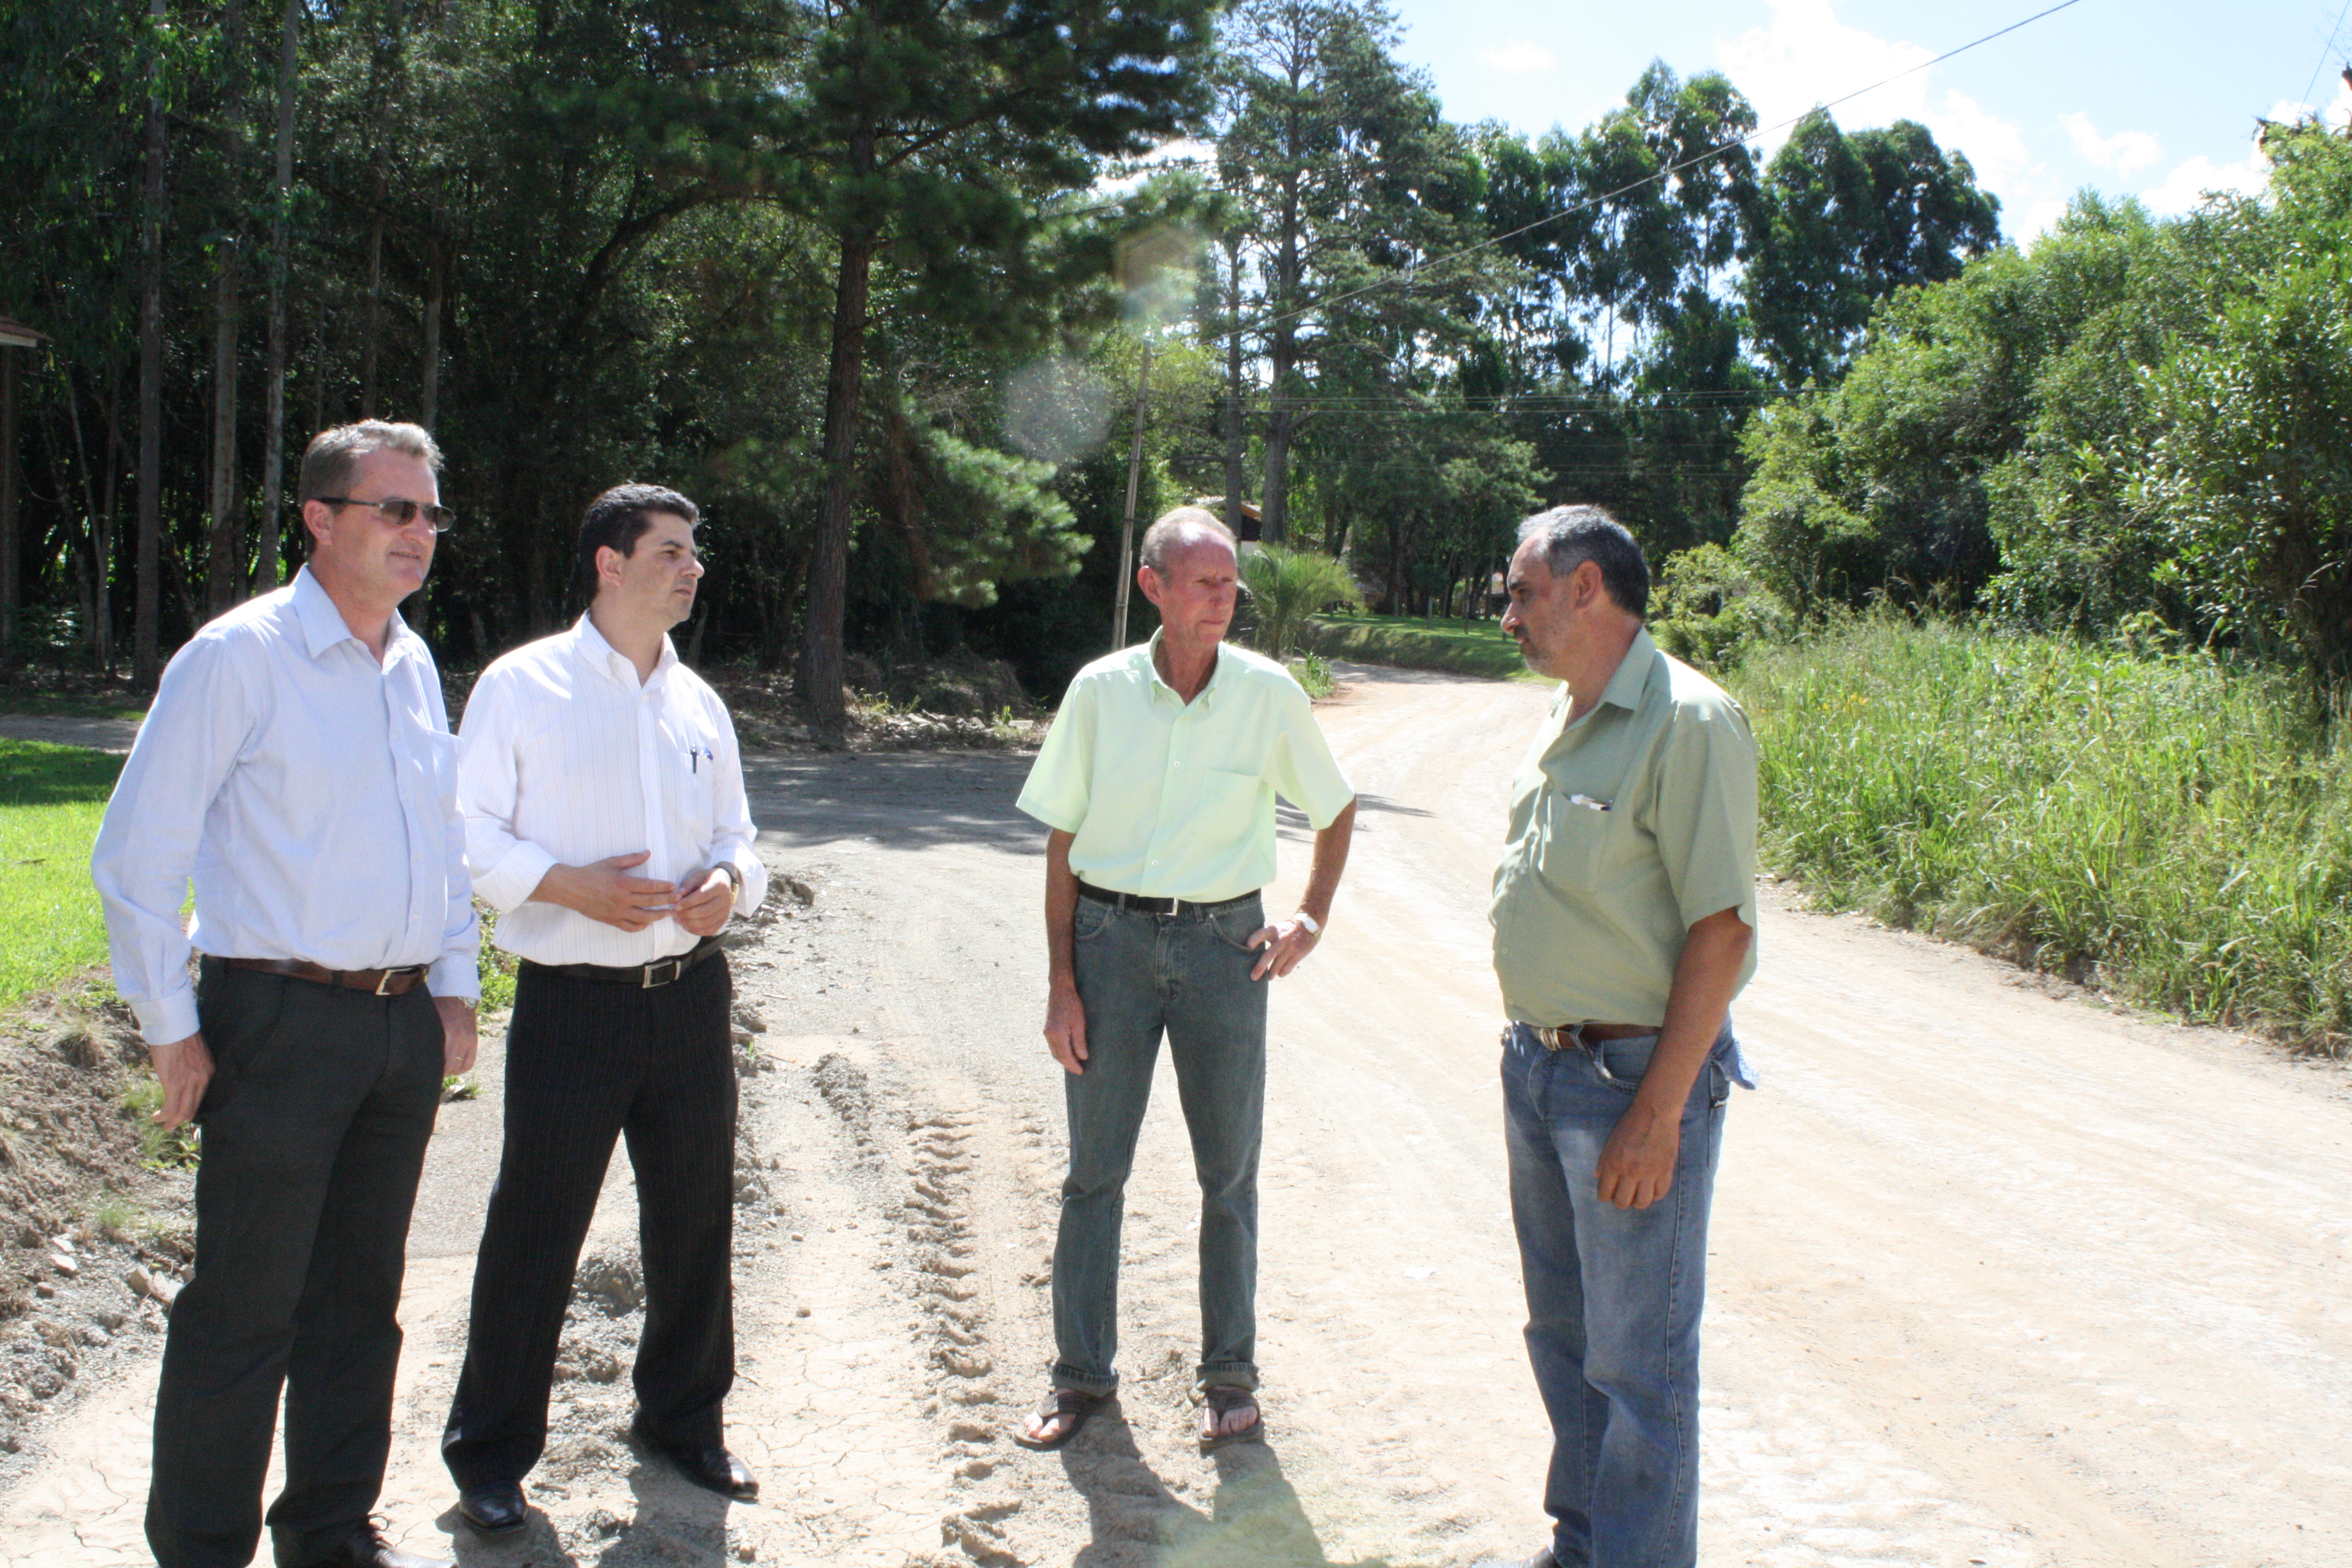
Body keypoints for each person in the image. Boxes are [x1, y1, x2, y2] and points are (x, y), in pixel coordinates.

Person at [90, 420, 479, 1568]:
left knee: (361, 1302)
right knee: (245, 1307)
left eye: (431, 513)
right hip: (276, 1020)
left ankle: (328, 1529)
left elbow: (442, 842)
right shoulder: (238, 657)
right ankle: (203, 1548)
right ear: (319, 518)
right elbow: (137, 858)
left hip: (398, 1026)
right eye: (394, 509)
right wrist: (171, 1028)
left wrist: (453, 986)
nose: (419, 531)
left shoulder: (413, 664)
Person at [439, 483, 766, 1534]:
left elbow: (740, 837)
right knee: (536, 1228)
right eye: (671, 551)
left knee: (695, 1219)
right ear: (609, 565)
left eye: (694, 552)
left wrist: (731, 886)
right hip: (572, 1005)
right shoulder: (522, 685)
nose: (693, 568)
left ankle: (684, 1420)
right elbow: (468, 832)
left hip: (689, 997)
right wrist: (566, 885)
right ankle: (490, 1455)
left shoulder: (699, 703)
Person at [1010, 506, 1359, 1453]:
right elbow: (1063, 845)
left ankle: (1229, 1375)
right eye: (1204, 582)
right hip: (1108, 944)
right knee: (1095, 1174)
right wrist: (1062, 984)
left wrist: (1311, 915)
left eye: (1230, 582)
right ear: (1152, 587)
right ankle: (1081, 1376)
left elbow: (1335, 807)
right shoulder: (1099, 692)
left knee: (1229, 1174)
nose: (1223, 598)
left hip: (1224, 950)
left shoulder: (1268, 693)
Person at [1489, 506, 1759, 1568]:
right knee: (1563, 1339)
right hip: (1540, 1067)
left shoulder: (1689, 720)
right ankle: (1585, 1546)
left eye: (1521, 592)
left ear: (1587, 587)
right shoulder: (1567, 711)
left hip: (1628, 1082)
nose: (1508, 615)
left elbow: (1722, 930)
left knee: (1639, 1367)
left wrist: (1660, 1112)